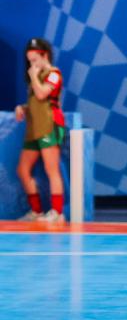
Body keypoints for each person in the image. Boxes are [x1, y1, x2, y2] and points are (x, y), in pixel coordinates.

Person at [14, 38, 66, 223]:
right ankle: (36, 211)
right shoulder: (35, 78)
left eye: (35, 60)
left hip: (49, 126)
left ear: (45, 55)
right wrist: (23, 108)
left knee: (51, 169)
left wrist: (34, 76)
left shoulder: (54, 74)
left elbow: (43, 94)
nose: (31, 65)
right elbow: (36, 102)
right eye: (29, 61)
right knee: (22, 169)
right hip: (33, 128)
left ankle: (57, 213)